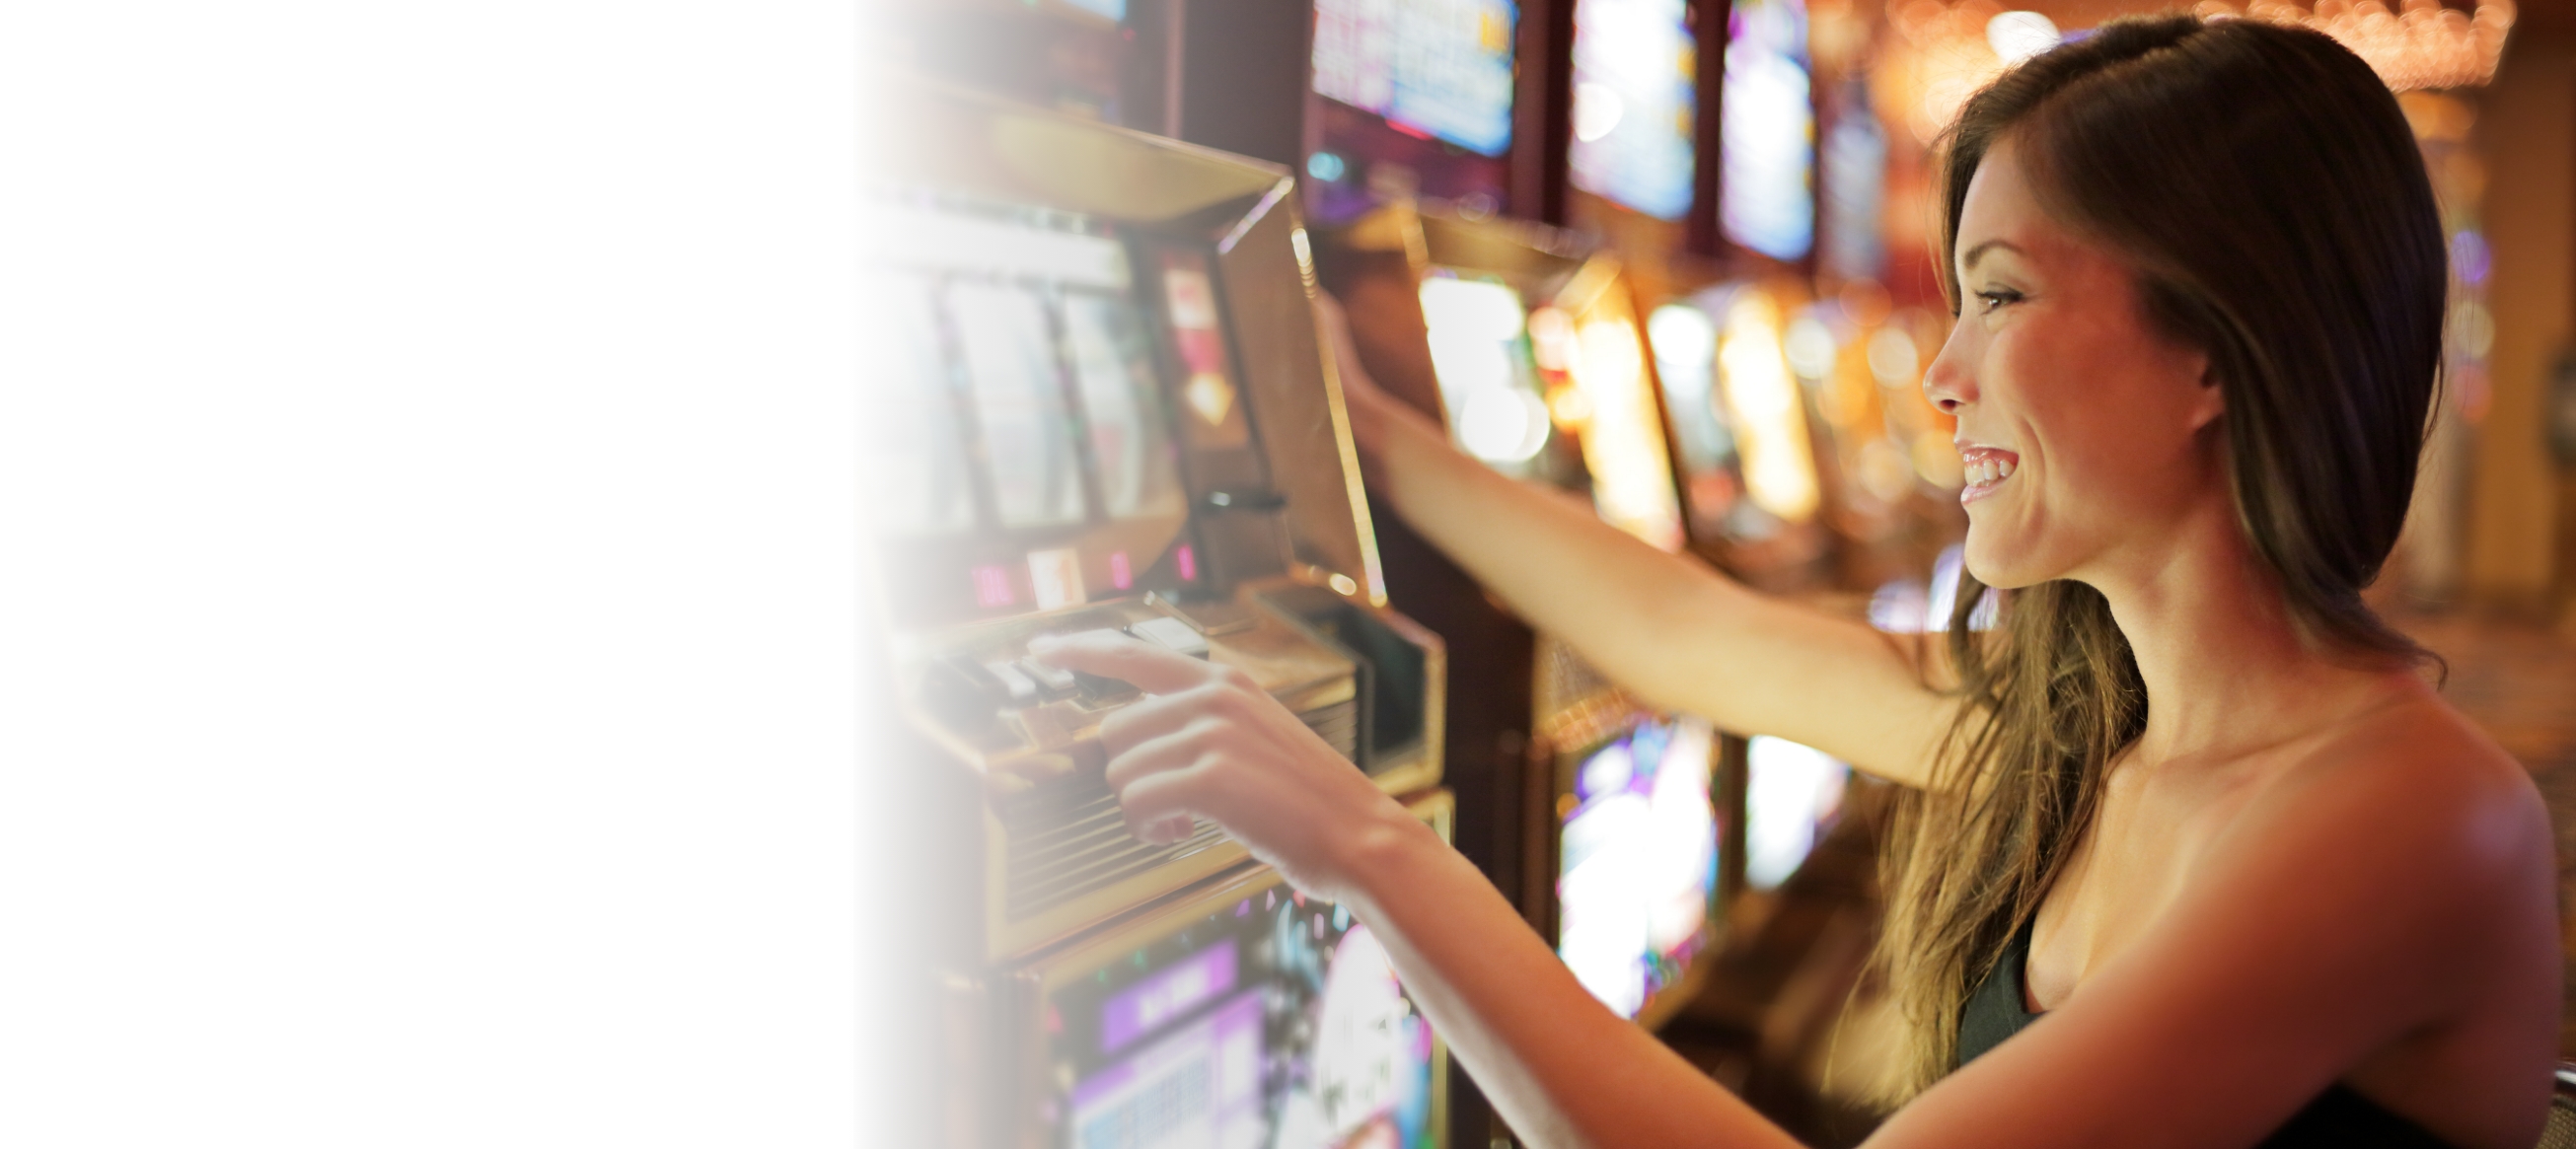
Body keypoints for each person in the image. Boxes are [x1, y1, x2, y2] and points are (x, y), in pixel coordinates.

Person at [1032, 16, 2559, 1148]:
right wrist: (1348, 426)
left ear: (2215, 347)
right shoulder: (2106, 712)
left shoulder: (2412, 817)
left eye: (2000, 297)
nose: (1940, 375)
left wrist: (1372, 846)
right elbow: (1693, 633)